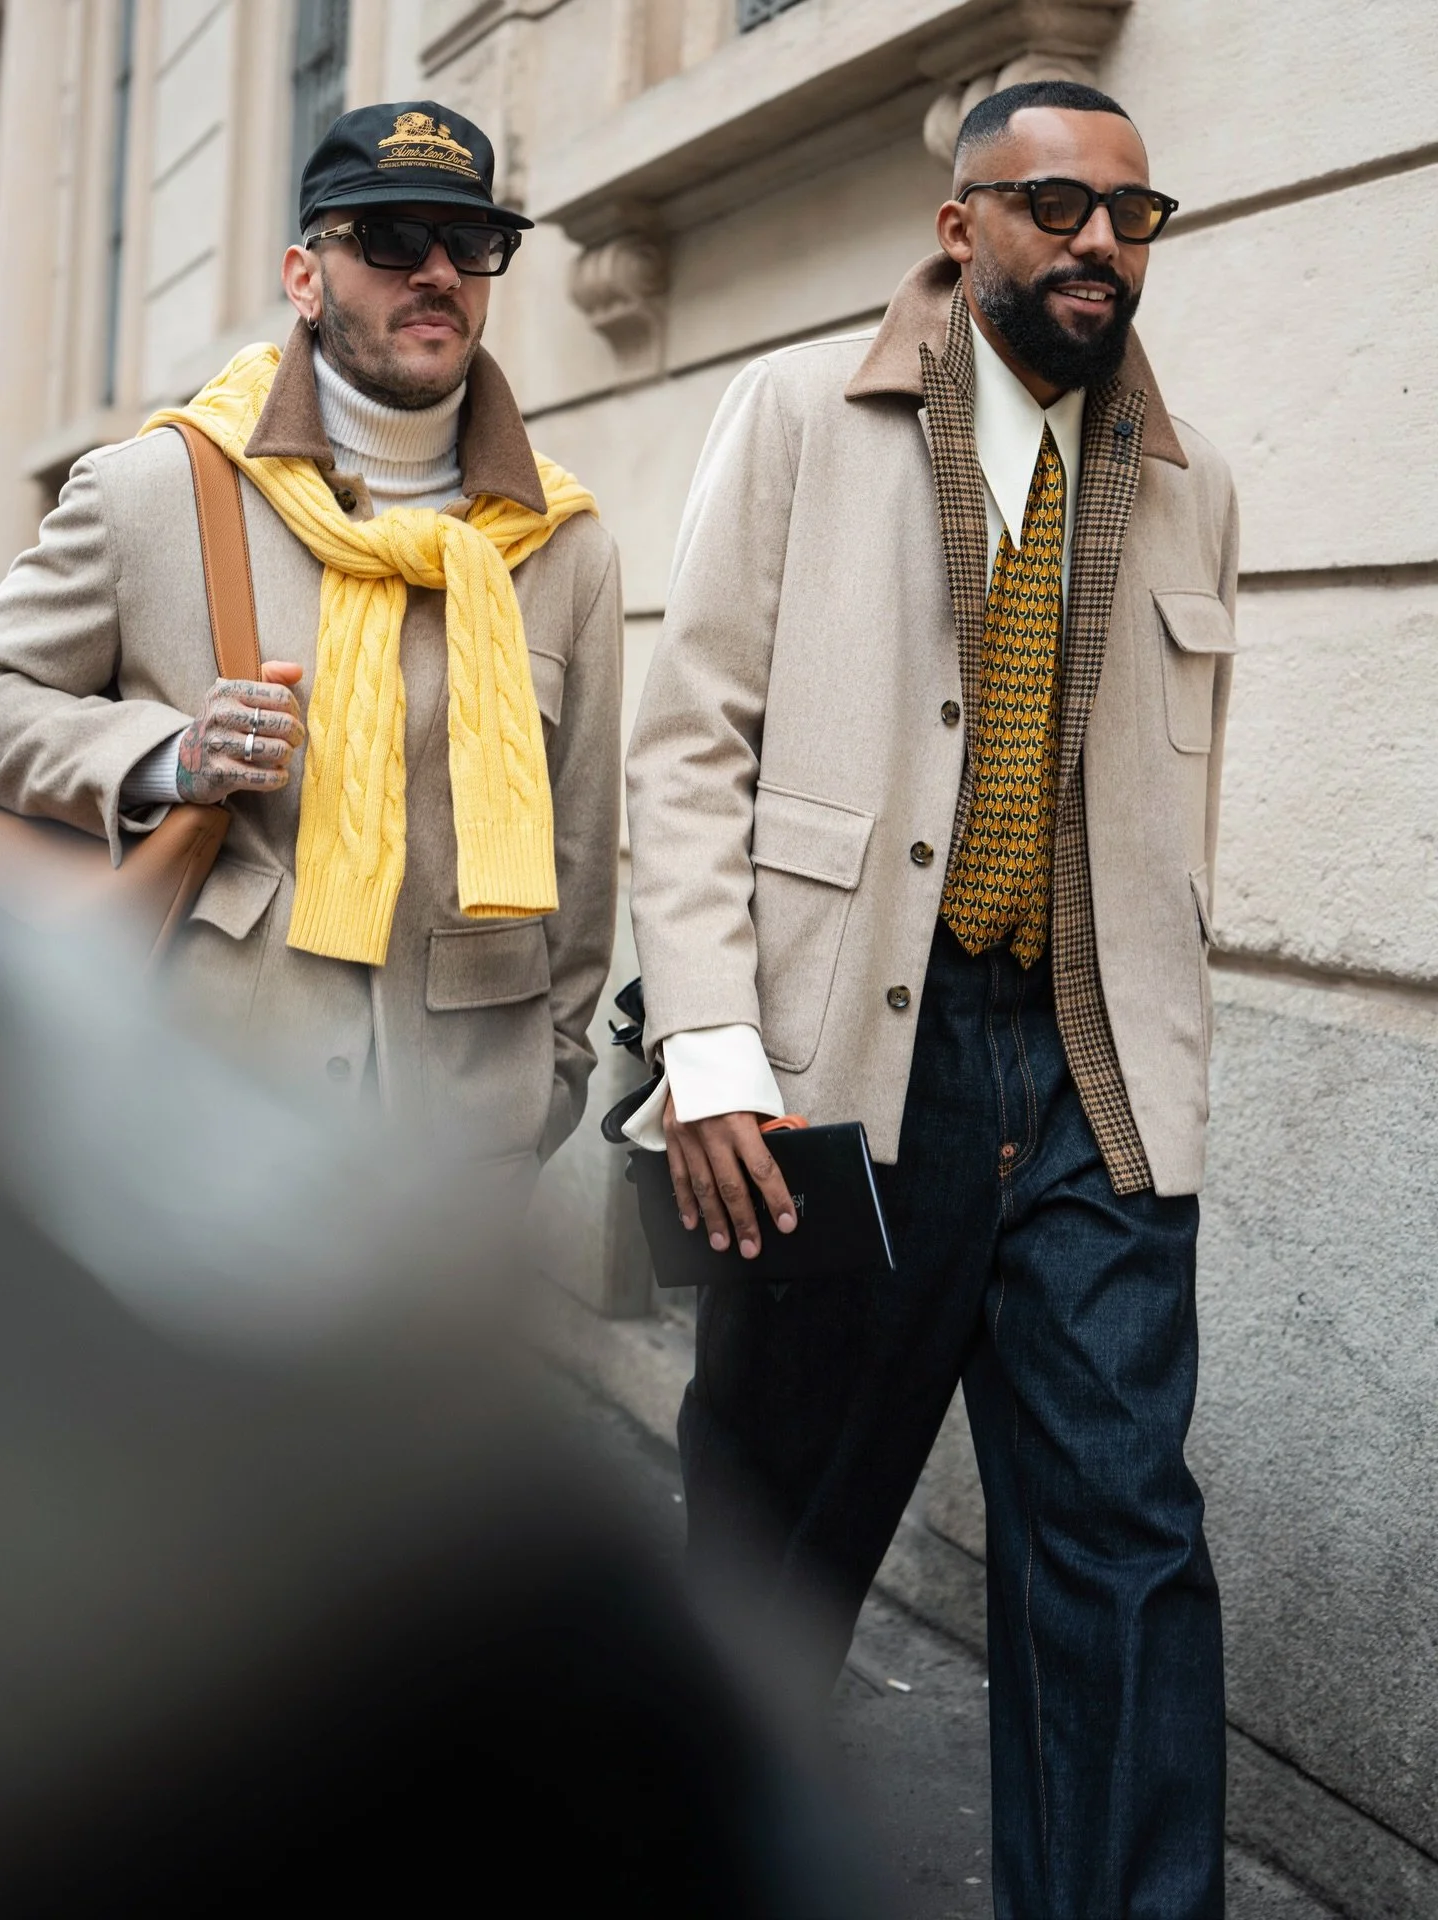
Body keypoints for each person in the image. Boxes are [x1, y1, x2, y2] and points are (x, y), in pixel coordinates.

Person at [625, 80, 1235, 1917]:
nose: (1099, 246)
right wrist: (711, 1051)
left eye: (1132, 216)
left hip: (1093, 1076)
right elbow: (687, 743)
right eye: (1054, 207)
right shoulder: (806, 416)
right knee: (778, 1545)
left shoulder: (1194, 483)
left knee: (1125, 1546)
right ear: (959, 225)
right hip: (850, 1071)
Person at [0, 101, 621, 1172]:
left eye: (470, 244)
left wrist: (542, 1095)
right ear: (304, 276)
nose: (436, 271)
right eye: (389, 238)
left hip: (451, 1165)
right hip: (183, 1119)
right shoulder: (157, 488)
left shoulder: (562, 542)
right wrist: (166, 757)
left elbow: (581, 852)